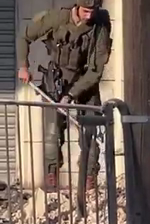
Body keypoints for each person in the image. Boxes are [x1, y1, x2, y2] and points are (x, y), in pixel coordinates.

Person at [17, 0, 112, 190]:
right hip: (57, 79)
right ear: (77, 6)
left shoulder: (100, 24)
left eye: (92, 11)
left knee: (89, 132)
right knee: (53, 131)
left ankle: (89, 177)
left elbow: (96, 69)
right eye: (85, 11)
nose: (89, 16)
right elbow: (24, 37)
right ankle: (51, 175)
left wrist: (72, 95)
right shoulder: (57, 18)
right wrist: (23, 67)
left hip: (86, 81)